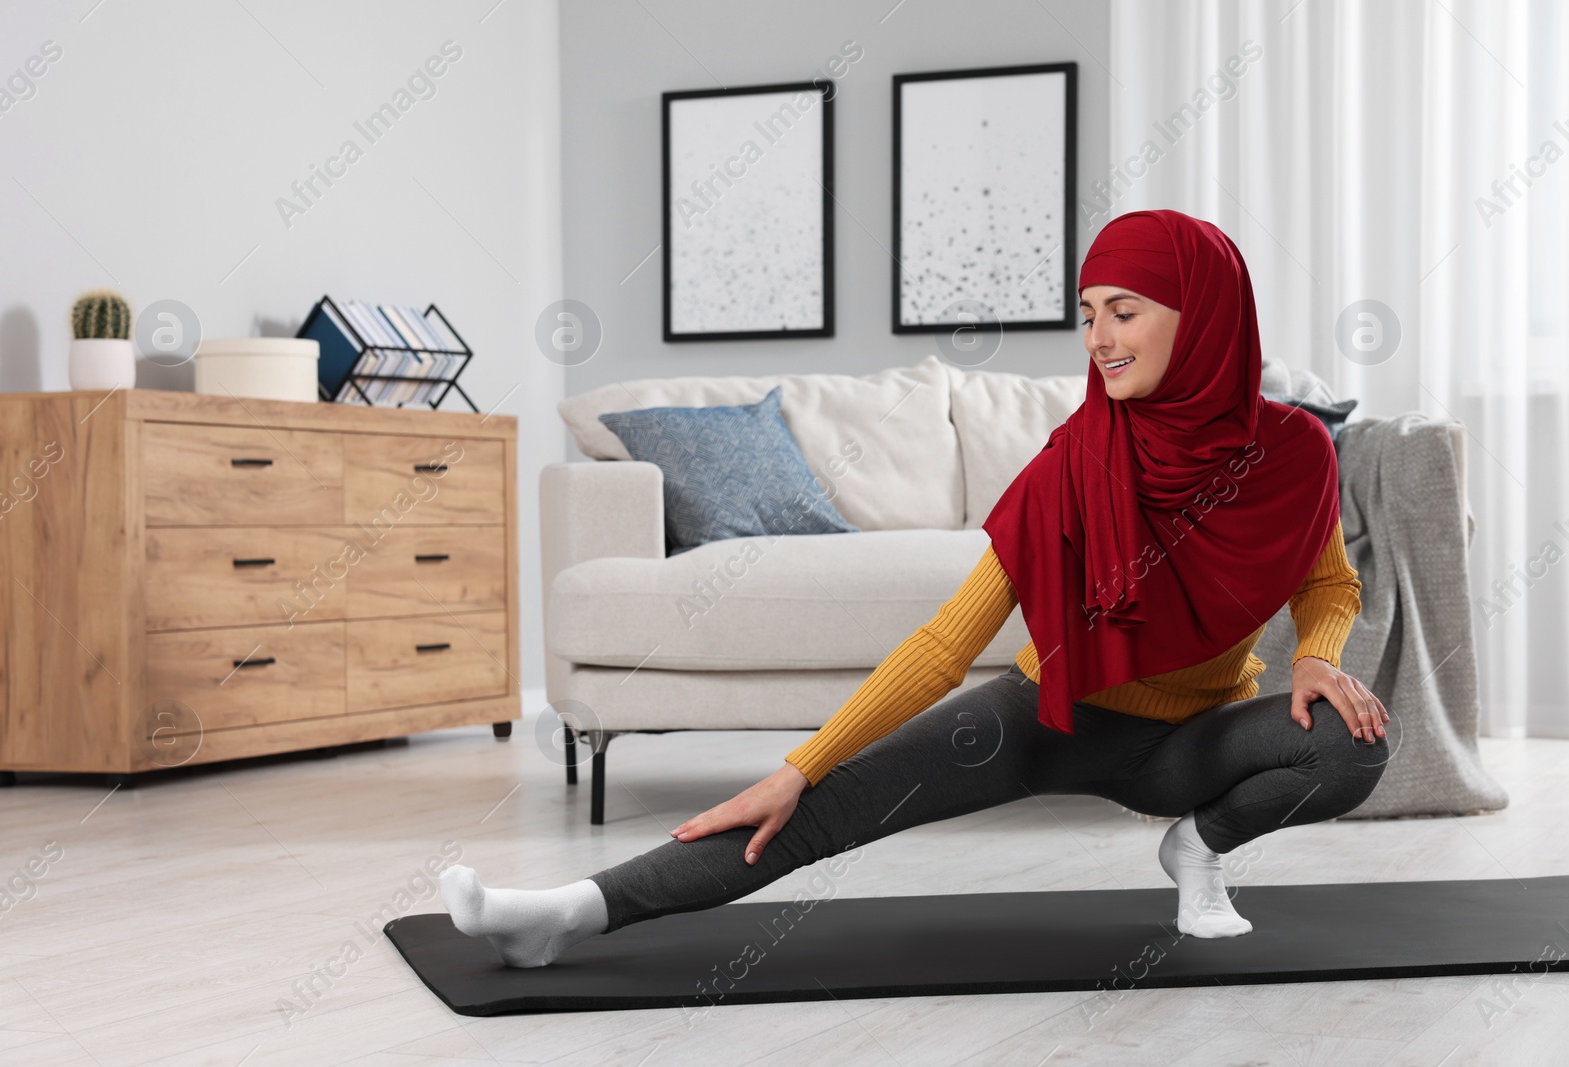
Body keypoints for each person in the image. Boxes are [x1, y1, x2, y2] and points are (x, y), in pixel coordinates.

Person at [440, 208, 1392, 967]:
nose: (1098, 336)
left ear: (1203, 310)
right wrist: (800, 763)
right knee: (804, 813)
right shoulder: (1074, 461)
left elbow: (1328, 582)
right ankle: (567, 914)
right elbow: (944, 644)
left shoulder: (1293, 450)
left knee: (1353, 743)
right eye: (1086, 310)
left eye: (1124, 309)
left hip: (1192, 743)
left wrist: (1316, 658)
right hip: (1047, 714)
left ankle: (1198, 847)